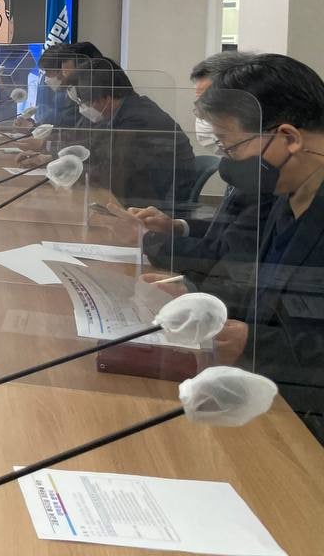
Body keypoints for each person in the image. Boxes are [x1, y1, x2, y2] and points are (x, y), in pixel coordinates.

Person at [146, 54, 324, 443]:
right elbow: (266, 290)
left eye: (231, 147)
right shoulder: (287, 195)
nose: (229, 162)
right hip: (266, 399)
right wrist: (196, 296)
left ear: (289, 138)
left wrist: (253, 343)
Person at [129, 51, 268, 280]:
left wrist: (147, 238)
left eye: (209, 106)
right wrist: (175, 226)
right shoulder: (239, 161)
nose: (202, 117)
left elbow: (222, 255)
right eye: (199, 107)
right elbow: (226, 230)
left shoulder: (265, 171)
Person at [66, 57, 197, 209]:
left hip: (161, 201)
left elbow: (116, 173)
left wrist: (76, 172)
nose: (83, 109)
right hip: (145, 187)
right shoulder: (126, 110)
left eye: (87, 103)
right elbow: (99, 150)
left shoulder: (137, 119)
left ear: (107, 98)